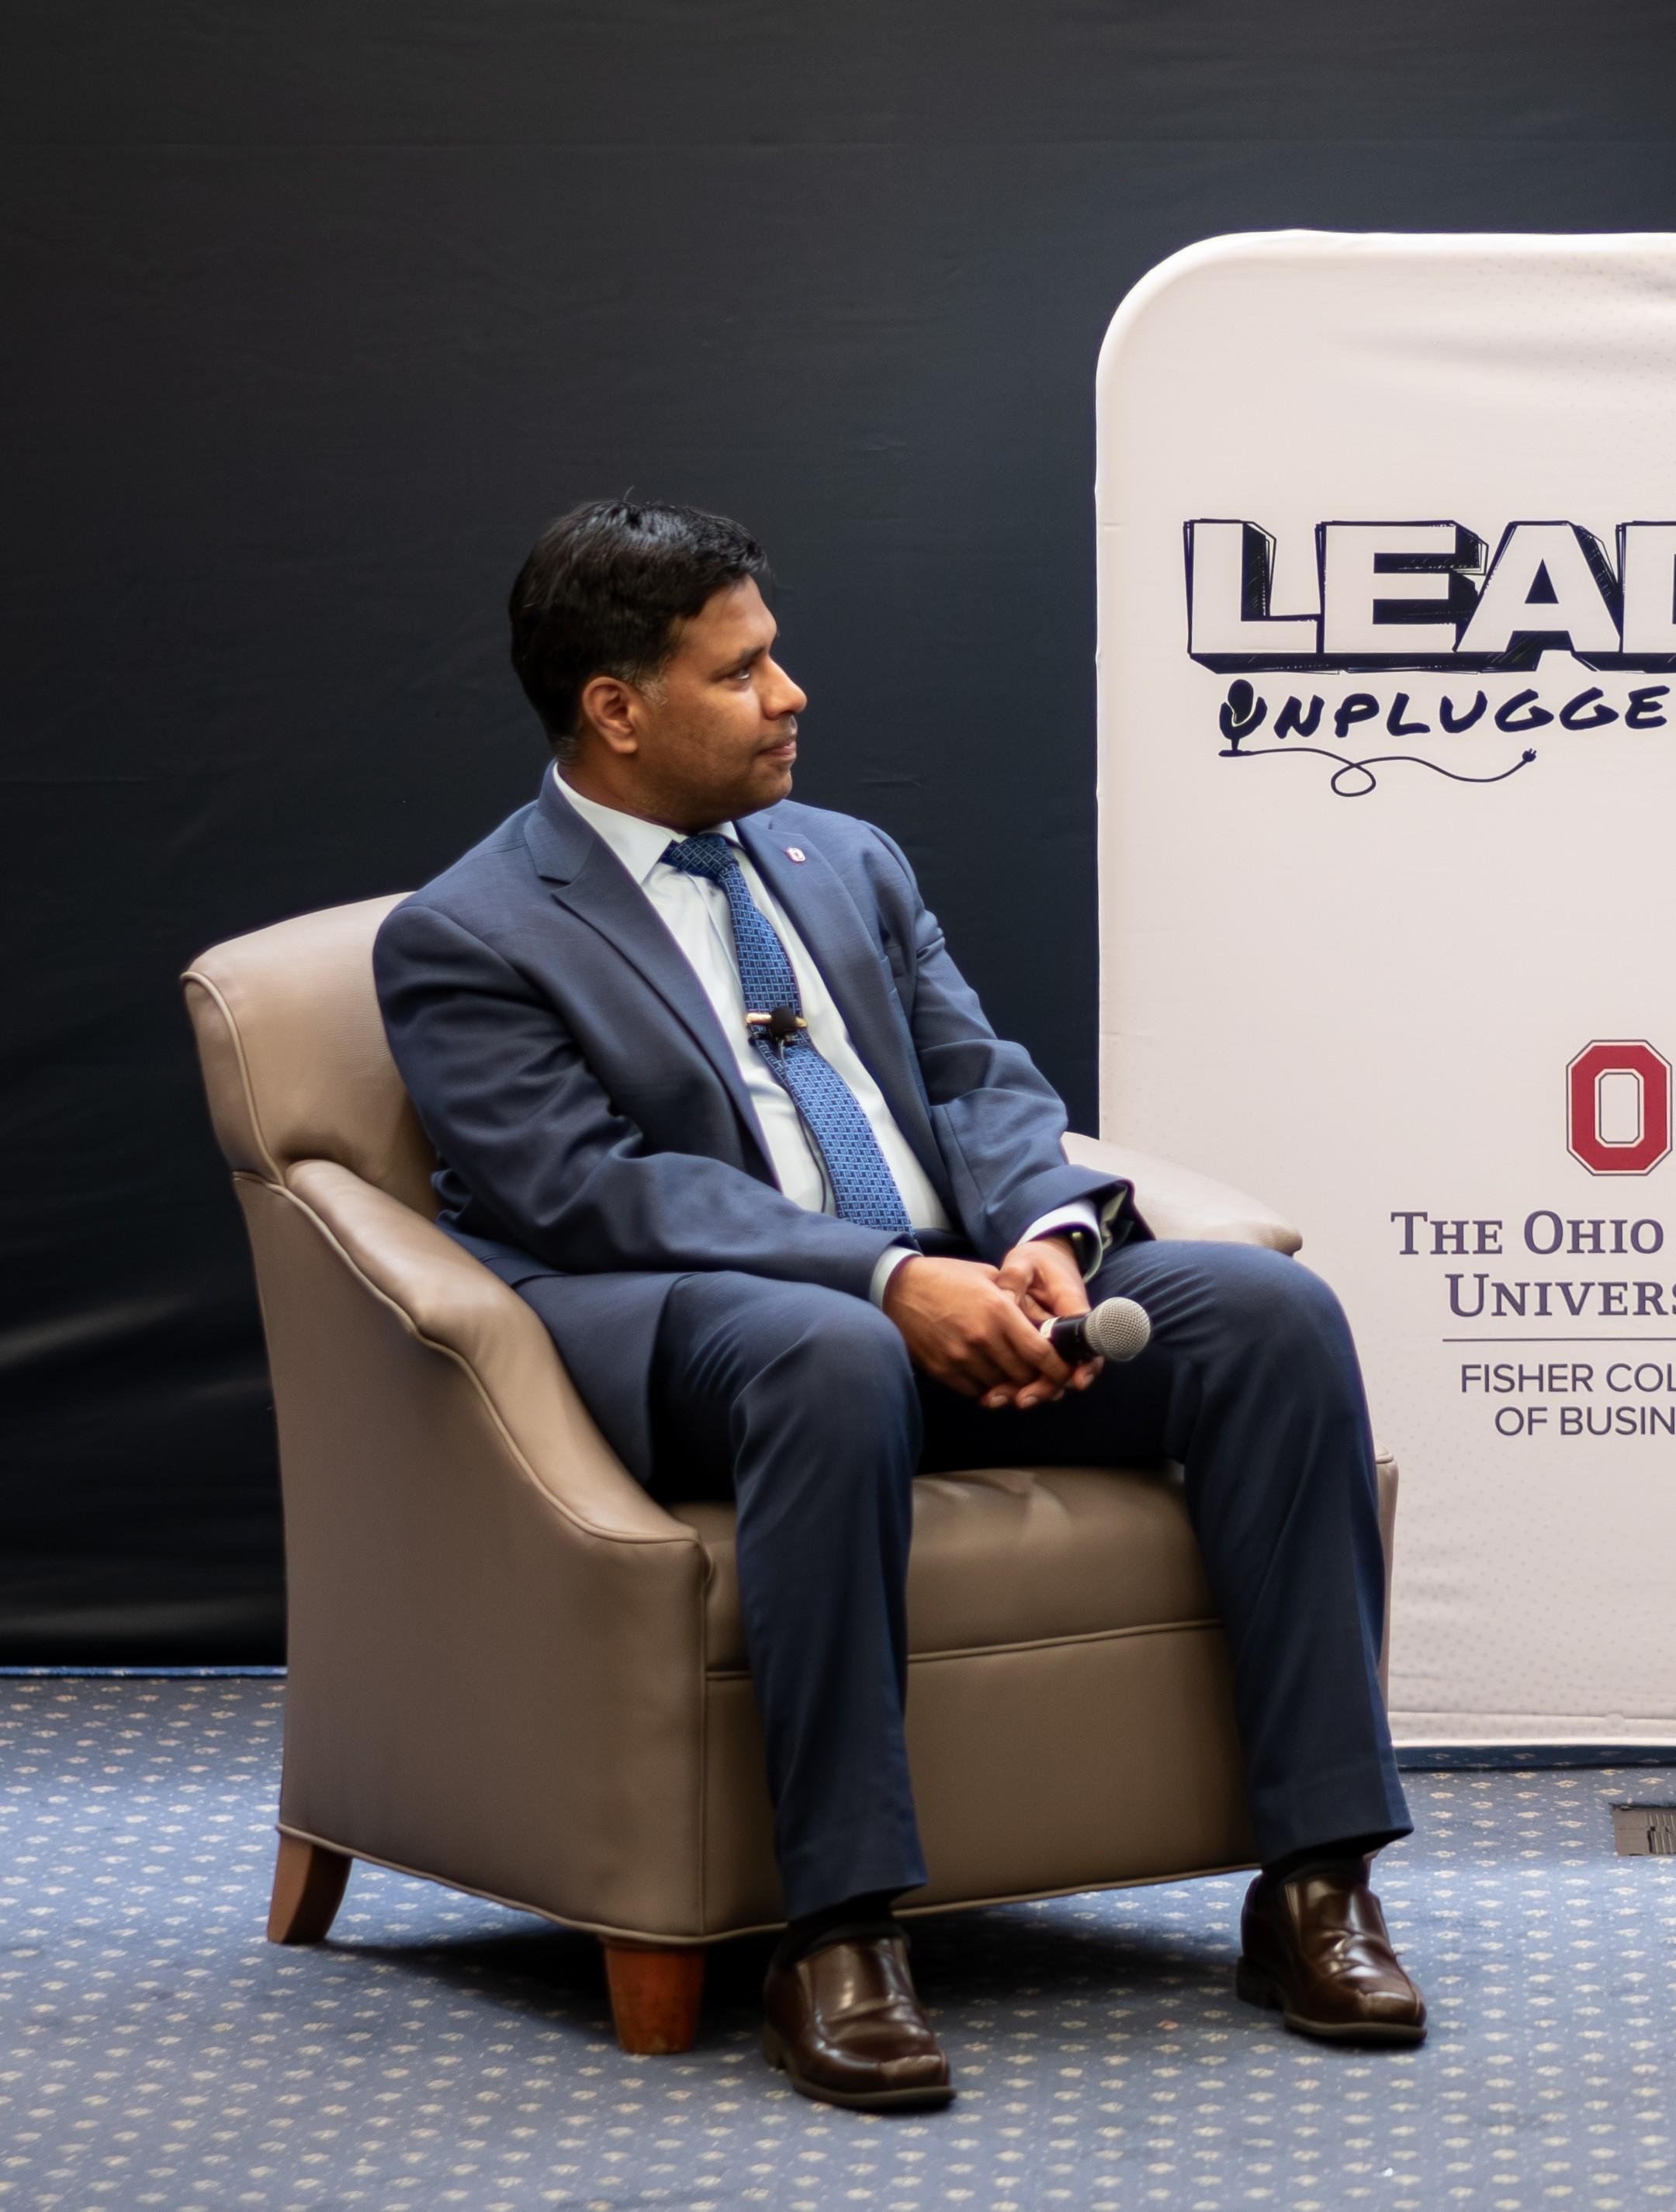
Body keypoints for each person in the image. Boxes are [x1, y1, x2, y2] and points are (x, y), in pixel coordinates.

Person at [375, 501, 1426, 2112]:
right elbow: (590, 1195)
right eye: (743, 670)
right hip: (716, 1335)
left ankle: (1314, 1885)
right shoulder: (468, 932)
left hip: (946, 1296)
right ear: (616, 708)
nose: (790, 693)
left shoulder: (842, 858)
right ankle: (839, 1933)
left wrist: (1042, 1238)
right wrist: (880, 1276)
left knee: (1266, 1315)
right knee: (828, 1352)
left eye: (776, 655)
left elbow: (973, 1079)